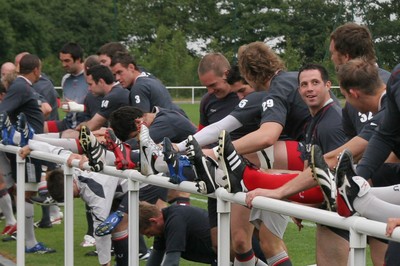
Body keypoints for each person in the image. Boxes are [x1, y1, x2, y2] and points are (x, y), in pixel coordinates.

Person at [0, 54, 55, 253]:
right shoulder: (21, 86)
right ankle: (30, 244)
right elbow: (3, 110)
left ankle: (29, 241)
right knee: (27, 193)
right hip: (28, 148)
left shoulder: (21, 86)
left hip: (31, 146)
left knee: (25, 192)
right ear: (36, 70)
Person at [139, 201, 217, 265]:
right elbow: (155, 259)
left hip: (226, 255)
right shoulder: (163, 225)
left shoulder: (175, 221)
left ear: (153, 221)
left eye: (148, 232)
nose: (149, 236)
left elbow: (172, 262)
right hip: (218, 257)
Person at [110, 52, 187, 117]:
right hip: (180, 123)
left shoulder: (139, 87)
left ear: (131, 67)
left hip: (170, 130)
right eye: (114, 75)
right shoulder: (150, 78)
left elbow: (142, 123)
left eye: (120, 72)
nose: (117, 78)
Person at [45, 42, 88, 132]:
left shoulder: (90, 77)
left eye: (67, 61)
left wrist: (77, 107)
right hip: (67, 124)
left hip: (85, 126)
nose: (63, 65)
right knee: (37, 126)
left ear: (78, 59)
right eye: (62, 61)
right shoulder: (65, 79)